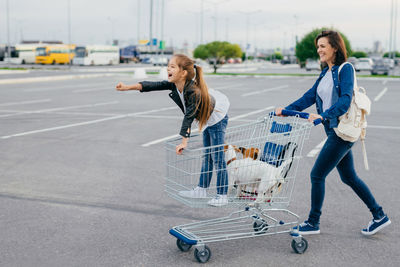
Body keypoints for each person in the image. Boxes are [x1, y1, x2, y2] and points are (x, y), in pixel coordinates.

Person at [275, 30, 390, 236]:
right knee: (349, 177)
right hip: (334, 130)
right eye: (318, 46)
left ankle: (313, 222)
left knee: (317, 175)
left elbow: (345, 101)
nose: (319, 50)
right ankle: (379, 216)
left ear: (334, 47)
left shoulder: (346, 69)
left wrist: (323, 116)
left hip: (341, 131)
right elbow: (309, 96)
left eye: (323, 46)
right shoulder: (325, 73)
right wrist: (286, 110)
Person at [115, 54, 230, 207]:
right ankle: (201, 189)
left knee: (217, 157)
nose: (168, 68)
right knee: (207, 157)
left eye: (172, 66)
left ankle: (222, 195)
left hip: (217, 118)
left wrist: (184, 142)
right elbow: (152, 85)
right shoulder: (175, 85)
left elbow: (189, 116)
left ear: (183, 73)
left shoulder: (193, 91)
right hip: (207, 119)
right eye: (168, 66)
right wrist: (127, 87)